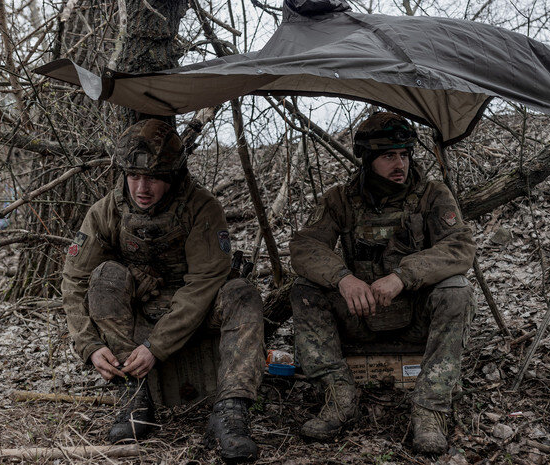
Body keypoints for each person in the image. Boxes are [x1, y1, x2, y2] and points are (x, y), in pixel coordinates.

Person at [61, 119, 263, 462]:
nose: (142, 187)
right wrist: (90, 345)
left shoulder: (201, 208)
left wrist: (157, 345)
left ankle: (231, 411)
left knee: (242, 293)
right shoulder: (106, 211)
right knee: (105, 276)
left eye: (153, 177)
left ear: (172, 176)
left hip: (197, 311)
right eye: (134, 176)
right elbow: (75, 280)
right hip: (140, 312)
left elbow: (204, 284)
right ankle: (133, 396)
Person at [289, 112, 477, 454]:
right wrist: (343, 279)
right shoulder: (340, 200)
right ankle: (338, 396)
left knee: (456, 290)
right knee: (304, 290)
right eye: (389, 155)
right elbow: (305, 247)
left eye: (404, 154)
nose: (400, 163)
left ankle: (430, 408)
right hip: (360, 316)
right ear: (368, 160)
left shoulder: (432, 195)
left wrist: (404, 276)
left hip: (417, 317)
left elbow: (460, 248)